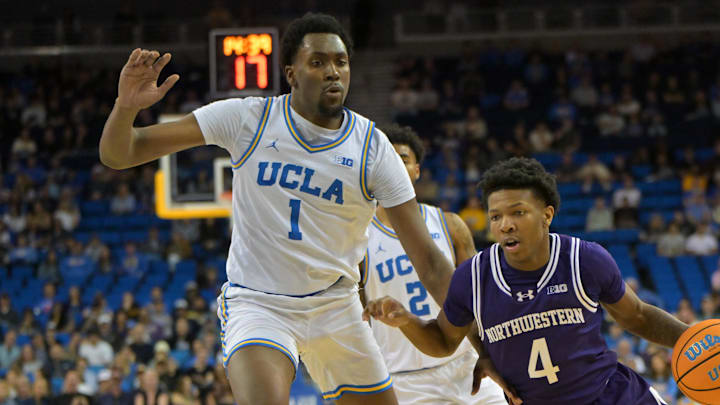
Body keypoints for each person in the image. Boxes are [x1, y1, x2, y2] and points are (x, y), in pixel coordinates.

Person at [99, 12, 457, 405]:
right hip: (259, 302)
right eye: (317, 62)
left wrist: (485, 342)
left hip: (335, 304)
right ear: (291, 73)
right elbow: (121, 153)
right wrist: (125, 106)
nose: (333, 72)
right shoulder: (246, 118)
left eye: (340, 62)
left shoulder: (373, 148)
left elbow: (432, 263)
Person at [364, 157, 689, 404]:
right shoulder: (473, 278)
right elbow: (443, 342)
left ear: (547, 214)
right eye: (495, 217)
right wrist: (406, 320)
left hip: (610, 396)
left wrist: (696, 339)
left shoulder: (583, 259)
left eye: (517, 213)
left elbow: (640, 316)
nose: (505, 224)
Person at [360, 124, 505, 404]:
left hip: (467, 364)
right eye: (386, 158)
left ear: (416, 171)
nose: (393, 163)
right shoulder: (359, 238)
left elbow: (479, 300)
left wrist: (489, 353)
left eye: (402, 158)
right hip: (405, 379)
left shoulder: (450, 225)